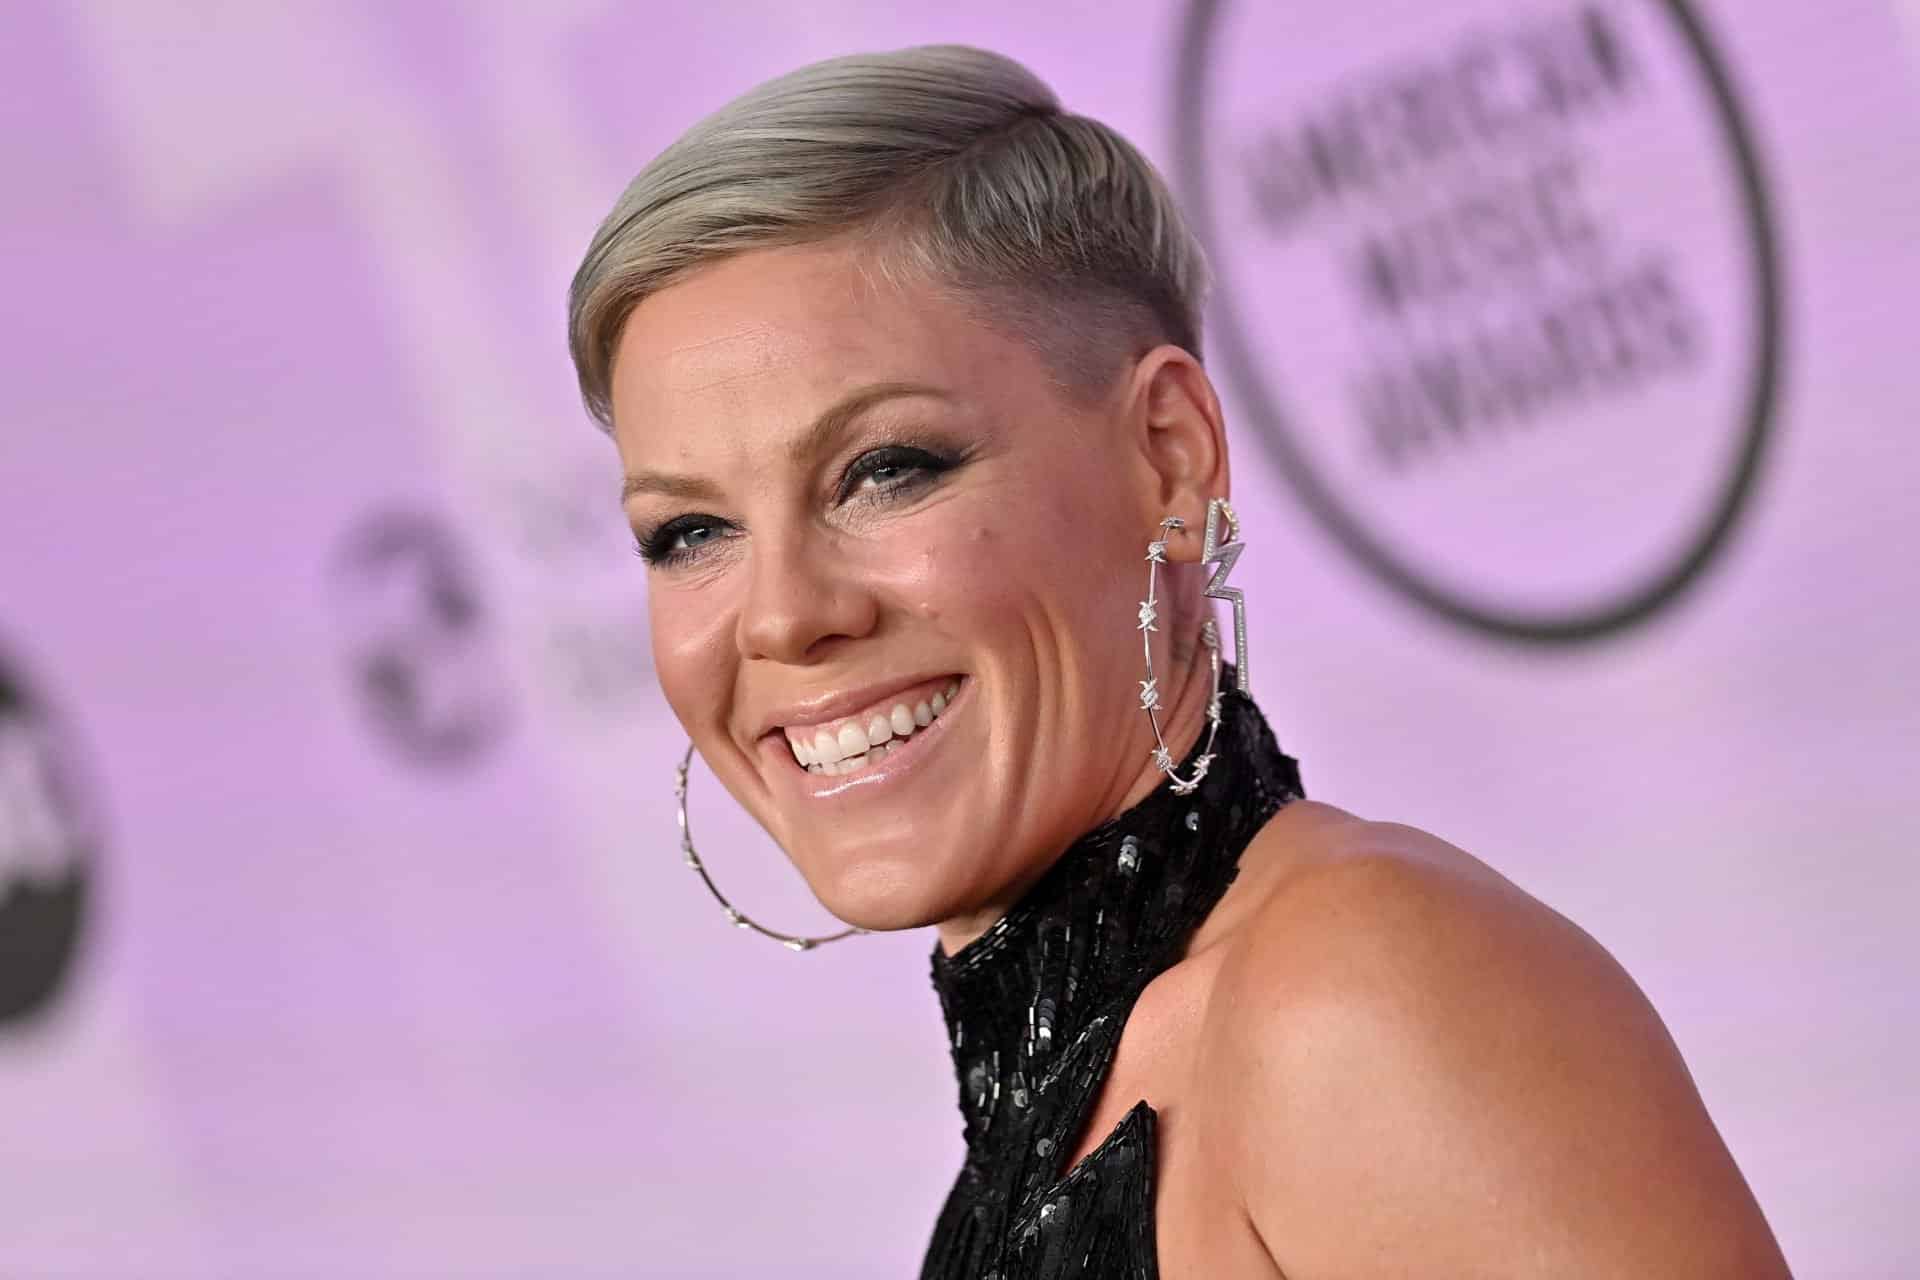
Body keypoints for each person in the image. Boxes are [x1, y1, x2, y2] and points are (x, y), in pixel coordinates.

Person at [566, 43, 1790, 1279]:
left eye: (885, 471)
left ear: (1170, 455)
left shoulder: (1363, 993)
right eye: (691, 532)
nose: (784, 616)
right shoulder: (1043, 1135)